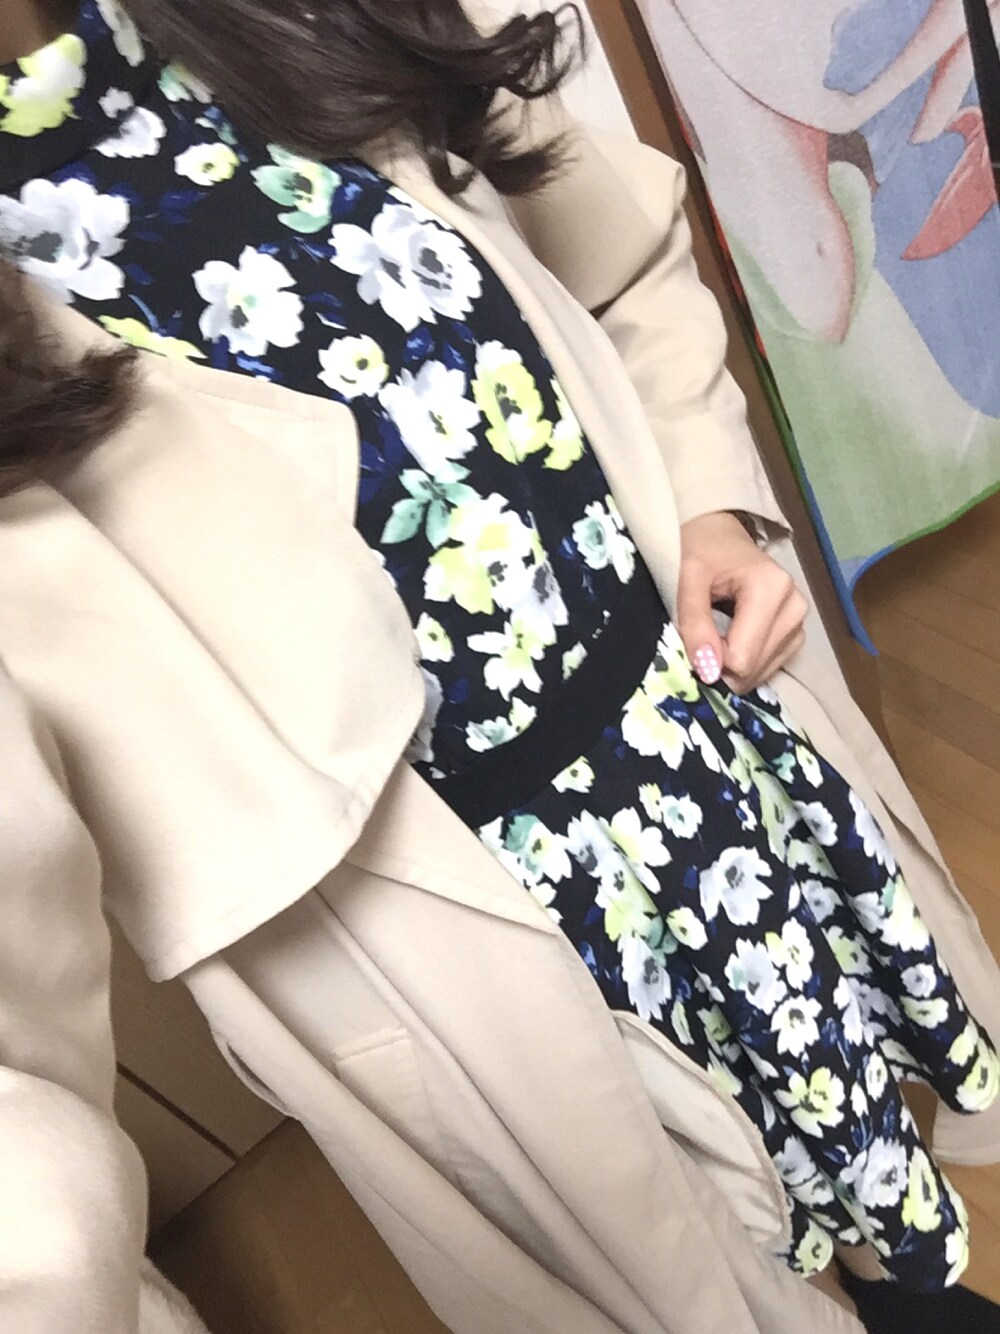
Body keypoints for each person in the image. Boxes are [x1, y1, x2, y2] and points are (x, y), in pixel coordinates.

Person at [0, 2, 998, 1330]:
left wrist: (707, 495)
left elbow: (617, 258)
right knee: (696, 1267)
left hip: (702, 743)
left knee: (857, 1131)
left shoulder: (293, 18)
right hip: (471, 934)